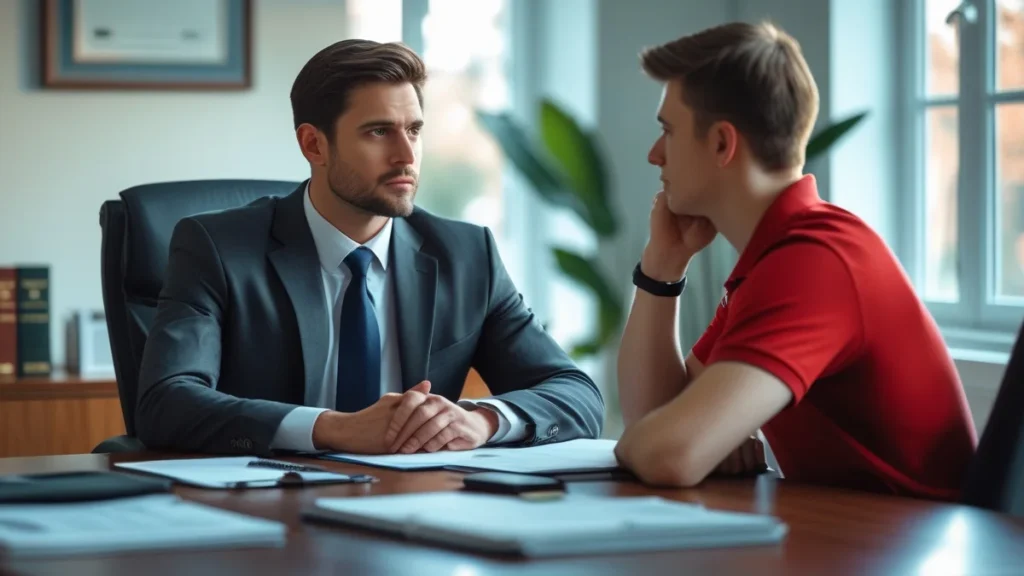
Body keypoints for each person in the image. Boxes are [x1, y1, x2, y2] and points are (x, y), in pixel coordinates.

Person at [135, 39, 603, 456]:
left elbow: (574, 392)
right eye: (379, 131)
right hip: (270, 510)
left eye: (415, 130)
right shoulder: (217, 247)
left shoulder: (465, 253)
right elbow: (167, 402)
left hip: (419, 509)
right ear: (314, 145)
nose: (406, 155)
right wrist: (334, 429)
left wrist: (481, 421)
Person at [614, 21, 977, 500]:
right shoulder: (777, 254)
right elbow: (657, 418)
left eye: (668, 131)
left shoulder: (816, 260)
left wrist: (662, 440)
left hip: (920, 551)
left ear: (723, 144)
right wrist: (662, 269)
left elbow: (668, 452)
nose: (654, 154)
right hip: (860, 542)